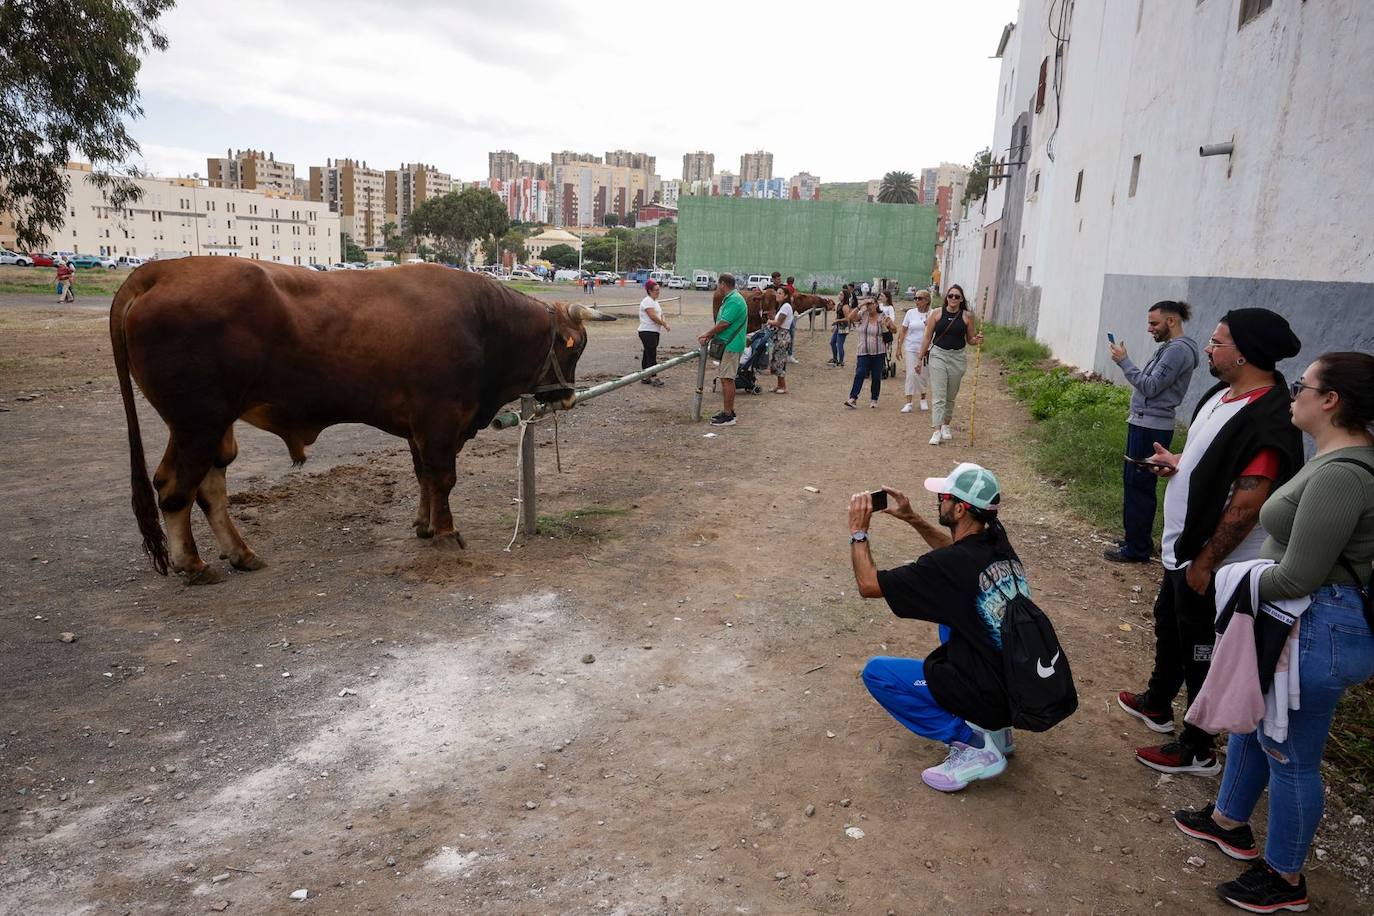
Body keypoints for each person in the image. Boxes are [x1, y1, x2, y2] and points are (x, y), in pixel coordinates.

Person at [1171, 352, 1374, 914]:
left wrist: (1234, 579)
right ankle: (1228, 820)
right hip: (1298, 621)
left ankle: (1285, 879)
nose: (1294, 393)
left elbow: (1300, 575)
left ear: (1330, 400)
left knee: (1290, 753)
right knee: (1253, 719)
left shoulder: (1341, 473)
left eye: (1304, 385)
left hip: (1317, 626)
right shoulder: (1329, 457)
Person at [1118, 308, 1304, 776]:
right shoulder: (1223, 394)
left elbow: (1247, 506)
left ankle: (1198, 747)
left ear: (1244, 354)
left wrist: (1205, 562)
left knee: (1203, 647)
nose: (1207, 347)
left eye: (1218, 342)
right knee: (1171, 624)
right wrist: (1176, 460)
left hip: (1217, 563)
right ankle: (1159, 702)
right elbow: (1211, 455)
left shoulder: (1268, 421)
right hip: (1184, 550)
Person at [850, 463, 1025, 792]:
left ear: (959, 509)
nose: (938, 501)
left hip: (988, 689)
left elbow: (868, 585)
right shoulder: (995, 539)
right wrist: (912, 518)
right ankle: (998, 731)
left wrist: (859, 532)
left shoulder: (947, 567)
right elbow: (955, 551)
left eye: (943, 497)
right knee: (953, 617)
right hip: (1016, 683)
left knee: (878, 673)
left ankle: (973, 745)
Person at [1105, 301, 1202, 563]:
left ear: (1171, 321)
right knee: (1134, 483)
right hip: (1143, 421)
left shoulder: (1177, 351)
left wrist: (1124, 362)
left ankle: (1137, 548)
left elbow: (1150, 387)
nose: (1149, 329)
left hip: (1151, 426)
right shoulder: (1171, 349)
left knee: (1139, 485)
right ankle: (1135, 538)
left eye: (1154, 323)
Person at [918, 284, 982, 446]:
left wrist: (977, 340)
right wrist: (919, 358)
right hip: (938, 355)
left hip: (957, 357)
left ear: (961, 300)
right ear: (946, 297)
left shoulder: (967, 316)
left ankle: (946, 425)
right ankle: (937, 430)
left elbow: (971, 340)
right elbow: (927, 338)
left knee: (950, 396)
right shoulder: (936, 313)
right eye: (951, 296)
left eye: (957, 296)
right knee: (939, 395)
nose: (953, 299)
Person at [699, 273, 747, 427]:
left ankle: (728, 415)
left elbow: (724, 323)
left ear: (722, 284)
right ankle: (728, 411)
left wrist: (707, 334)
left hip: (731, 345)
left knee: (727, 379)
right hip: (731, 344)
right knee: (726, 378)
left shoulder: (734, 300)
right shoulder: (733, 298)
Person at [844, 297, 893, 409]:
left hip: (878, 351)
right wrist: (860, 305)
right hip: (863, 351)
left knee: (876, 376)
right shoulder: (862, 314)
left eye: (871, 303)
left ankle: (874, 399)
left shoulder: (883, 316)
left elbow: (894, 329)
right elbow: (850, 318)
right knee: (860, 373)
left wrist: (888, 324)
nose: (869, 306)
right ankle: (853, 398)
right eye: (868, 304)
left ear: (876, 305)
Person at [897, 290, 932, 413]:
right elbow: (903, 330)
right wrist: (899, 346)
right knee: (911, 374)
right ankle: (909, 402)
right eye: (915, 298)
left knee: (923, 374)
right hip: (911, 347)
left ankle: (923, 399)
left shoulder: (932, 314)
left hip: (927, 349)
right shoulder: (910, 313)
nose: (917, 301)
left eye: (920, 298)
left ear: (927, 300)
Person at [637, 280, 671, 388]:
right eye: (656, 290)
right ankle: (654, 377)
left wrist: (664, 322)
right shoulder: (647, 301)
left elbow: (660, 314)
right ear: (649, 291)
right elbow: (652, 316)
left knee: (648, 353)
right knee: (651, 354)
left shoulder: (655, 302)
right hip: (647, 331)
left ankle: (645, 375)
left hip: (654, 331)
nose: (658, 292)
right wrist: (664, 324)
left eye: (658, 290)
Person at [767, 288, 795, 394]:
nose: (777, 295)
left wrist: (769, 321)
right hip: (779, 335)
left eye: (780, 293)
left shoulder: (786, 307)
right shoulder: (782, 307)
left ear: (786, 296)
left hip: (782, 336)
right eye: (777, 293)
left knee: (780, 361)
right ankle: (779, 385)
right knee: (777, 360)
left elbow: (778, 323)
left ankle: (783, 386)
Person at [828, 286, 853, 367]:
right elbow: (838, 316)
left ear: (845, 296)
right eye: (839, 294)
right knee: (832, 342)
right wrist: (835, 325)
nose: (839, 296)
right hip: (838, 326)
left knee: (839, 344)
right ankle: (835, 358)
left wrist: (837, 321)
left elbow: (847, 319)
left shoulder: (845, 306)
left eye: (841, 295)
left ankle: (841, 361)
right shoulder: (839, 305)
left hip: (843, 327)